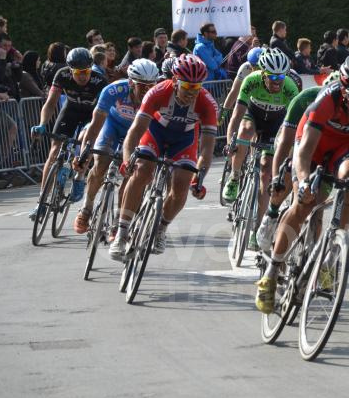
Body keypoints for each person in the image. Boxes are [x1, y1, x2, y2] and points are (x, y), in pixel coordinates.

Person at [254, 56, 349, 314]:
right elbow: (303, 153)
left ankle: (330, 258)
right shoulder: (326, 101)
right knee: (304, 202)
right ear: (344, 92)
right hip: (312, 145)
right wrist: (304, 180)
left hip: (346, 145)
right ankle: (272, 271)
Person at [108, 54, 216, 259]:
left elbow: (207, 148)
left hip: (184, 140)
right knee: (141, 173)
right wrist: (127, 160)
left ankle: (161, 228)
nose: (192, 93)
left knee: (182, 185)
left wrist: (199, 178)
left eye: (197, 87)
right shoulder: (158, 92)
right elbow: (135, 131)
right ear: (175, 80)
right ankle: (122, 233)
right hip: (155, 132)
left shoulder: (207, 103)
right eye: (188, 87)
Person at [255, 70, 343, 252]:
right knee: (285, 178)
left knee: (315, 208)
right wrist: (276, 178)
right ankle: (272, 213)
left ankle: (310, 257)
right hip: (295, 142)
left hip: (322, 153)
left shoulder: (348, 110)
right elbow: (285, 142)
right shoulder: (305, 99)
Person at [221, 49, 299, 251]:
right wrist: (231, 142)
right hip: (253, 116)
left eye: (281, 76)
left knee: (266, 174)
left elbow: (295, 126)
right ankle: (235, 177)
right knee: (245, 131)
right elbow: (236, 116)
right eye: (272, 77)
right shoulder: (252, 80)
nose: (277, 81)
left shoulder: (290, 88)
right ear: (263, 73)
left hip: (276, 123)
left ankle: (257, 231)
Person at [71, 59, 159, 234]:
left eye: (151, 86)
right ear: (131, 82)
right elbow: (96, 124)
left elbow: (157, 132)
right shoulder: (113, 90)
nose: (146, 91)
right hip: (111, 126)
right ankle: (86, 209)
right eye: (142, 86)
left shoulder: (157, 97)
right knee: (100, 163)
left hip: (137, 133)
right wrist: (83, 154)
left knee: (131, 174)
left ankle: (120, 222)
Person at [29, 48, 108, 219]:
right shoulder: (62, 75)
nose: (82, 76)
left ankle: (80, 176)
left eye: (86, 71)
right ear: (70, 70)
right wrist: (42, 124)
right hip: (70, 111)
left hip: (92, 114)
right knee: (54, 151)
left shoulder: (99, 81)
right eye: (78, 72)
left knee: (84, 141)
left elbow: (103, 113)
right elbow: (50, 103)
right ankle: (41, 202)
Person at [220, 47, 264, 126]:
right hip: (251, 101)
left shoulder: (270, 70)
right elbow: (234, 91)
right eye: (253, 66)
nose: (256, 69)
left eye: (259, 67)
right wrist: (223, 113)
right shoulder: (245, 68)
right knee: (244, 126)